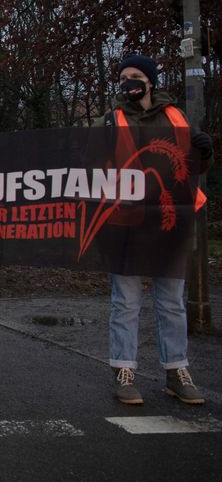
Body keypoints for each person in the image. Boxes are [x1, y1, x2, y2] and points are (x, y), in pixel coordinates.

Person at [95, 54, 211, 406]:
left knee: (171, 302)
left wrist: (204, 152)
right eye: (122, 77)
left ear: (150, 81)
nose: (127, 82)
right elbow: (95, 166)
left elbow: (191, 164)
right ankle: (124, 372)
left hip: (170, 221)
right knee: (126, 301)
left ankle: (177, 371)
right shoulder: (110, 121)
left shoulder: (175, 116)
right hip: (125, 223)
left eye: (134, 76)